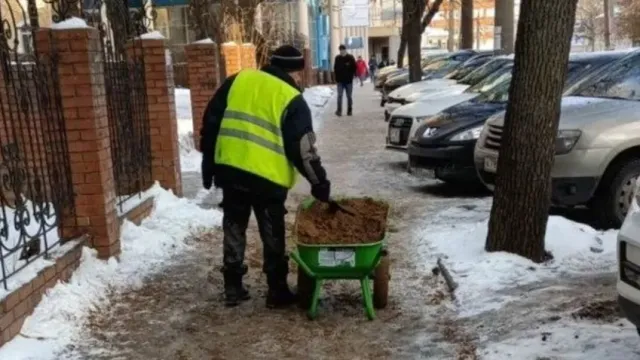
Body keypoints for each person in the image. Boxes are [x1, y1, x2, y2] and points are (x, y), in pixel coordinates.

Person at [200, 45, 332, 308]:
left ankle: (233, 287)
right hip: (267, 179)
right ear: (295, 72)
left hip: (231, 170)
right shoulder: (291, 98)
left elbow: (211, 121)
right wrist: (319, 182)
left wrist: (209, 163)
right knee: (272, 231)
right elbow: (303, 149)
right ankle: (277, 290)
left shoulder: (239, 80)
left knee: (234, 223)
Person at [333, 44, 356, 116]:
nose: (341, 51)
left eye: (343, 50)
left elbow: (354, 67)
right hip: (340, 81)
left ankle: (349, 110)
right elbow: (335, 68)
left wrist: (351, 75)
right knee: (339, 96)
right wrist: (336, 78)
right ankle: (339, 111)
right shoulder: (337, 58)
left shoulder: (350, 57)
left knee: (349, 96)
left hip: (348, 81)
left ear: (345, 50)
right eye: (340, 50)